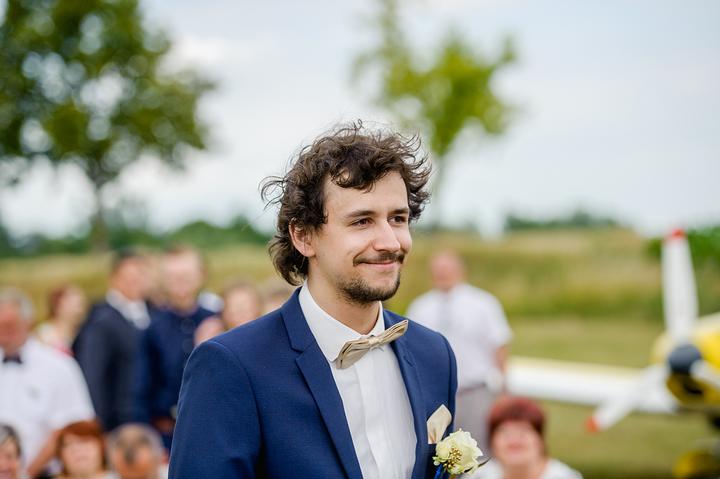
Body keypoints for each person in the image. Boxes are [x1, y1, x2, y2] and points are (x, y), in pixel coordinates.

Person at [169, 122, 458, 479]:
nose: (389, 241)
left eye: (398, 218)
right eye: (362, 221)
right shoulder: (232, 367)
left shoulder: (434, 355)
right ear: (304, 236)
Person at [407, 250, 512, 450]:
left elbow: (499, 345)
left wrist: (504, 389)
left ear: (460, 270)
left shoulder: (483, 303)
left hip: (475, 392)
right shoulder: (420, 307)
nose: (443, 274)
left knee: (479, 451)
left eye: (447, 269)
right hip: (435, 396)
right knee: (437, 450)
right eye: (438, 270)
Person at [0, 288, 95, 478]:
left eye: (11, 325)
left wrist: (27, 473)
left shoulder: (59, 366)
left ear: (28, 322)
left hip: (45, 473)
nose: (4, 332)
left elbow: (73, 425)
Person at [133, 246, 216, 449]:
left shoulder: (217, 320)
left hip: (215, 429)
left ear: (201, 275)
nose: (180, 282)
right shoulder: (152, 328)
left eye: (186, 275)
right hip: (167, 435)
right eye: (173, 277)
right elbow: (141, 388)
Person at [72, 250, 151, 433]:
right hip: (117, 423)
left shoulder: (152, 312)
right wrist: (100, 427)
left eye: (140, 276)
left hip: (148, 421)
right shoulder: (100, 321)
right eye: (129, 277)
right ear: (114, 278)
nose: (135, 282)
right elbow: (93, 377)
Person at [471, 396, 582, 479]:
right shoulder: (478, 475)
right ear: (491, 441)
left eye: (523, 432)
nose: (514, 440)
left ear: (540, 440)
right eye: (505, 433)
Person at [194, 280, 264, 344]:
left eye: (246, 306)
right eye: (234, 307)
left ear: (258, 308)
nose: (241, 313)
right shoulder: (213, 333)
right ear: (224, 312)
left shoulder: (265, 335)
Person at [36, 285, 87, 356]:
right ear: (58, 305)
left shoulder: (82, 332)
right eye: (74, 305)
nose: (79, 311)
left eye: (80, 305)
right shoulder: (44, 334)